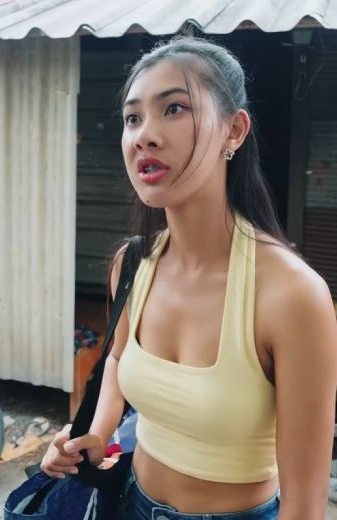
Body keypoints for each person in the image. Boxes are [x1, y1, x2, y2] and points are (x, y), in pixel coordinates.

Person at [42, 37, 337, 520]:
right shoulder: (132, 264)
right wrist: (97, 432)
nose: (145, 135)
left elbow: (304, 507)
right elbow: (117, 357)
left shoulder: (292, 296)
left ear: (233, 131)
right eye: (132, 118)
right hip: (130, 502)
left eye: (174, 108)